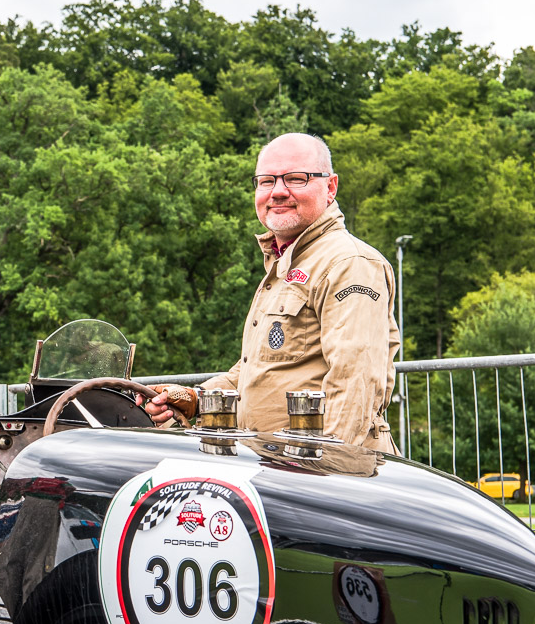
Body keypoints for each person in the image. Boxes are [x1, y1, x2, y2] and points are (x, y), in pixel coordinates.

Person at [144, 133, 401, 453]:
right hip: (278, 466)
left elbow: (354, 387)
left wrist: (325, 474)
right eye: (266, 181)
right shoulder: (285, 263)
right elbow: (258, 371)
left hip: (320, 474)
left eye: (296, 178)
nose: (278, 191)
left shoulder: (349, 263)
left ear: (330, 187)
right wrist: (195, 399)